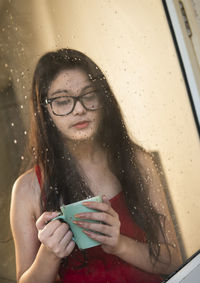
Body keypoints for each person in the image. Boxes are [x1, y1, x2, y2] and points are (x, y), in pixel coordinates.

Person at [10, 48, 182, 283]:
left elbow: (174, 259)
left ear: (103, 99)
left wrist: (119, 244)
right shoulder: (27, 189)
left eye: (89, 95)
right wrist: (48, 255)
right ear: (45, 111)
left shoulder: (138, 162)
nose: (79, 109)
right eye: (62, 101)